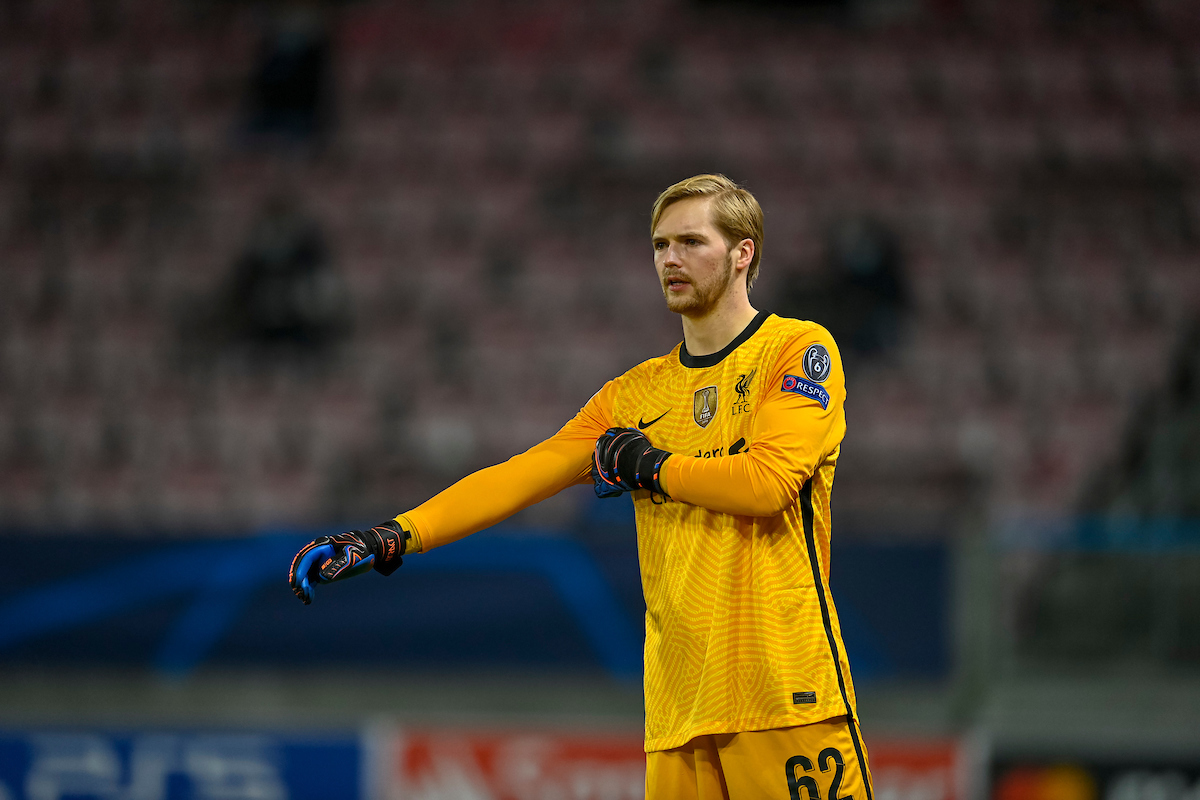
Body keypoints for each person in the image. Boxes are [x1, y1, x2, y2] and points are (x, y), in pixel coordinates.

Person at [289, 174, 874, 800]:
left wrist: (652, 466)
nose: (670, 259)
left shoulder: (798, 349)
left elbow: (766, 484)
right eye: (659, 245)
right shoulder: (634, 394)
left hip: (784, 696)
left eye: (691, 242)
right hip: (678, 714)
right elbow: (520, 476)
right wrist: (393, 536)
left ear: (743, 253)